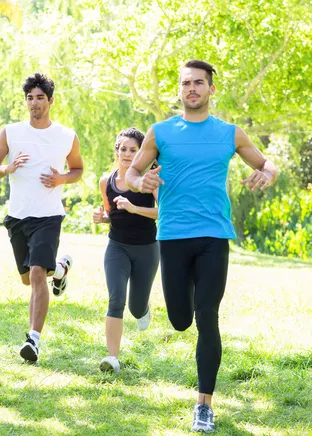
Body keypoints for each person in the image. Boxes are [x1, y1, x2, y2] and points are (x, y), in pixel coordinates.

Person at [126, 60, 278, 433]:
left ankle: (204, 405)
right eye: (185, 84)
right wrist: (139, 181)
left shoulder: (230, 133)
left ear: (211, 89)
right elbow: (129, 173)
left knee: (207, 315)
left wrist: (268, 173)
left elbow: (266, 163)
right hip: (173, 236)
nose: (191, 88)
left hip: (213, 236)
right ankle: (183, 296)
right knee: (181, 320)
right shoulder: (160, 133)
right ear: (179, 91)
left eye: (198, 83)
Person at [0, 72, 83, 364]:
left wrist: (61, 179)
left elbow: (77, 170)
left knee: (39, 273)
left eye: (40, 97)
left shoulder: (66, 135)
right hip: (17, 216)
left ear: (50, 101)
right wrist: (7, 168)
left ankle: (33, 341)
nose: (34, 103)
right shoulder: (11, 132)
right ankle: (61, 269)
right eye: (30, 98)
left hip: (48, 215)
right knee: (28, 279)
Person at [92, 127, 159, 374]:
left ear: (142, 153)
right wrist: (103, 217)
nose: (127, 154)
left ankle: (143, 309)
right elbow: (113, 213)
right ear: (116, 151)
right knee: (116, 299)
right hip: (117, 247)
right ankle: (112, 358)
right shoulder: (106, 181)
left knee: (135, 306)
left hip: (147, 248)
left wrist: (134, 208)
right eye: (123, 149)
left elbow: (165, 213)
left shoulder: (151, 179)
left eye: (133, 150)